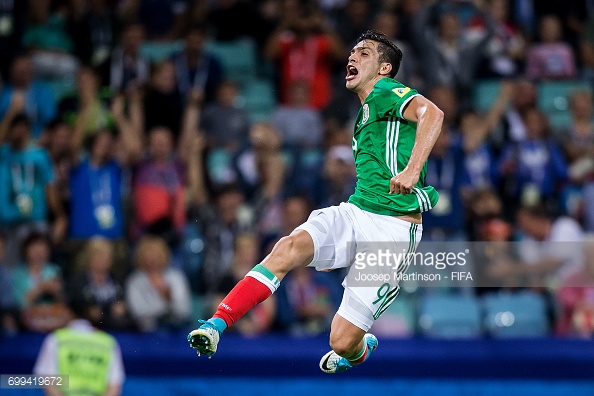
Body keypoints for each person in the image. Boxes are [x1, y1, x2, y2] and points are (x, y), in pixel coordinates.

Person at [188, 30, 444, 373]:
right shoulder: (365, 114)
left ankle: (359, 349)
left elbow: (434, 114)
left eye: (364, 53)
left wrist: (413, 171)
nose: (352, 57)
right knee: (288, 247)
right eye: (352, 52)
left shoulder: (385, 92)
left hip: (393, 231)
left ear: (384, 68)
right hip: (357, 211)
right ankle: (217, 324)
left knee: (341, 341)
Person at [33, 299, 125, 396]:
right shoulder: (108, 342)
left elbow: (48, 381)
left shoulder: (56, 339)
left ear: (68, 312)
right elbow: (114, 387)